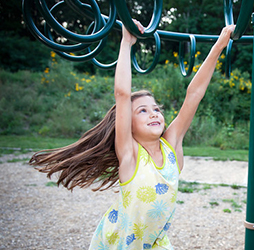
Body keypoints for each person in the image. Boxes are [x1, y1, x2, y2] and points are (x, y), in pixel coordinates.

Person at [29, 20, 235, 250]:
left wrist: (219, 46)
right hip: (117, 243)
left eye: (156, 109)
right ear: (129, 124)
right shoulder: (130, 154)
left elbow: (194, 94)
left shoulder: (172, 146)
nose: (154, 114)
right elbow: (122, 94)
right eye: (143, 111)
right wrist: (127, 42)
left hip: (154, 244)